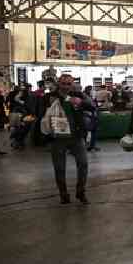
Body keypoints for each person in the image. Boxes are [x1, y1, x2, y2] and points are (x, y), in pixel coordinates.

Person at [43, 75, 95, 204]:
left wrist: (80, 102)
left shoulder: (78, 95)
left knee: (83, 164)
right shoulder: (49, 97)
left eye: (68, 83)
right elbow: (42, 116)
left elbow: (92, 106)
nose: (66, 86)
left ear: (72, 84)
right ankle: (63, 194)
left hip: (76, 136)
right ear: (58, 84)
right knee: (59, 168)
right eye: (63, 83)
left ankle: (80, 192)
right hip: (57, 138)